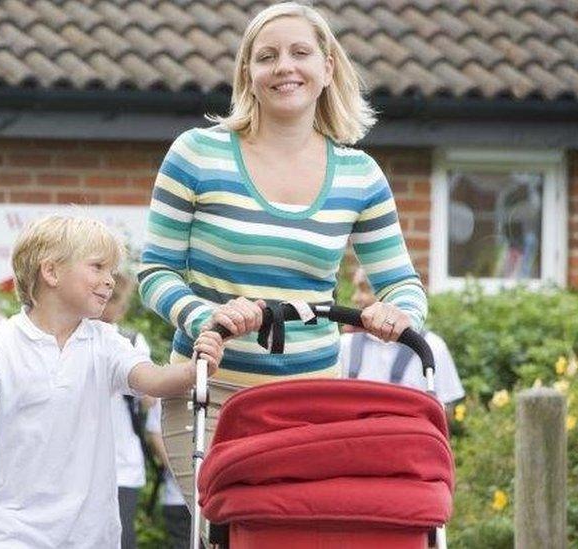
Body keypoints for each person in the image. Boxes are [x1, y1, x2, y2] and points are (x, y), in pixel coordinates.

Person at [137, 1, 429, 509]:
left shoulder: (360, 175)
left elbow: (401, 283)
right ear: (248, 73)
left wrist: (400, 313)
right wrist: (210, 316)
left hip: (311, 403)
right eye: (267, 56)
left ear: (326, 67)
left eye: (300, 53)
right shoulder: (196, 154)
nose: (284, 67)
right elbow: (155, 272)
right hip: (210, 393)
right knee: (229, 529)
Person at [0, 214, 225, 549]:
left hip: (90, 533)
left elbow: (151, 379)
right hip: (11, 529)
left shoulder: (107, 343)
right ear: (51, 272)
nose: (109, 281)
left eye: (111, 271)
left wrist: (192, 370)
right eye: (97, 267)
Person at [340, 265, 465, 411]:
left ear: (394, 292)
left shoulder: (431, 346)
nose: (355, 298)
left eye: (364, 289)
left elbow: (445, 411)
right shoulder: (346, 344)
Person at [100, 271, 153, 549]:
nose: (118, 308)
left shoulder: (130, 341)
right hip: (82, 462)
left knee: (120, 537)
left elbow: (148, 395)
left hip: (122, 461)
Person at [144, 400, 190, 549]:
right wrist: (179, 470)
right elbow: (154, 433)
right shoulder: (164, 391)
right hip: (178, 498)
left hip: (210, 500)